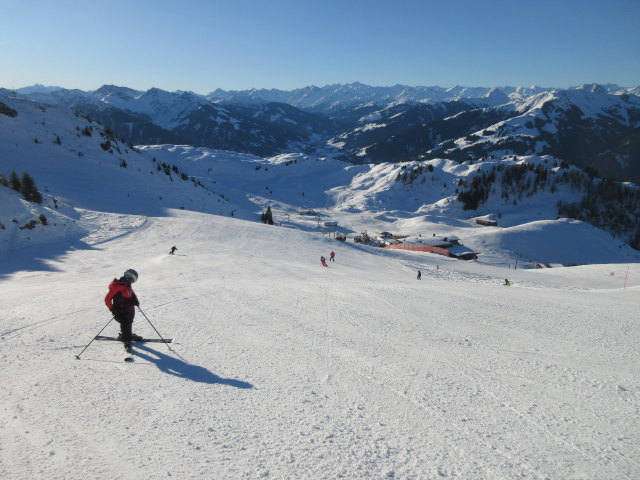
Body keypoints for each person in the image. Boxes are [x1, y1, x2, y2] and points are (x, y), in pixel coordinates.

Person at [104, 269, 142, 345]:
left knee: (129, 322)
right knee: (125, 323)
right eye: (133, 279)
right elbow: (107, 299)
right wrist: (113, 309)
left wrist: (135, 300)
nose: (133, 281)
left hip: (129, 310)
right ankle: (126, 339)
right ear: (129, 277)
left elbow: (131, 294)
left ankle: (128, 335)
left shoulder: (126, 285)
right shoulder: (118, 286)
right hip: (120, 311)